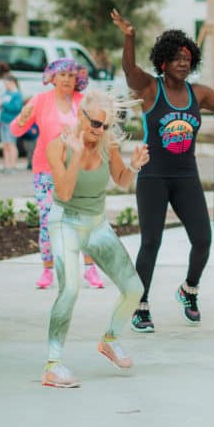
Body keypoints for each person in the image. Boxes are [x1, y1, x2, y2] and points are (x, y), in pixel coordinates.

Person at [111, 10, 214, 332]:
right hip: (154, 176)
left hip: (186, 176)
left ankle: (189, 289)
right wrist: (129, 37)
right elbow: (129, 70)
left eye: (187, 58)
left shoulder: (197, 93)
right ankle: (139, 305)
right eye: (176, 59)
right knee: (151, 242)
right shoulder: (148, 88)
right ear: (163, 63)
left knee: (202, 239)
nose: (183, 64)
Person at [41, 89, 149, 388]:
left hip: (96, 223)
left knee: (134, 288)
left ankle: (110, 340)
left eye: (104, 125)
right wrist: (76, 153)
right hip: (65, 222)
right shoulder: (58, 147)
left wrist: (135, 167)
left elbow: (122, 180)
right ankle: (52, 364)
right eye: (95, 124)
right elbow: (62, 193)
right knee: (70, 290)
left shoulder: (107, 145)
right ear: (81, 115)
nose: (99, 130)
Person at [11, 58, 105, 290]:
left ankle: (90, 268)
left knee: (83, 219)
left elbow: (98, 129)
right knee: (47, 220)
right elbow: (16, 129)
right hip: (46, 169)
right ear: (52, 77)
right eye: (61, 75)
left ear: (77, 80)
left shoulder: (83, 102)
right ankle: (47, 269)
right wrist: (22, 119)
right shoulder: (40, 101)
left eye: (71, 76)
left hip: (78, 168)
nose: (66, 79)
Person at [0, 74, 23, 173]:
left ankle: (12, 166)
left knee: (12, 144)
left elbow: (16, 108)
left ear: (12, 82)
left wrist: (3, 104)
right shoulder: (6, 92)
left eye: (6, 83)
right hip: (3, 121)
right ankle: (6, 165)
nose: (5, 85)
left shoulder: (17, 94)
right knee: (5, 144)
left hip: (11, 122)